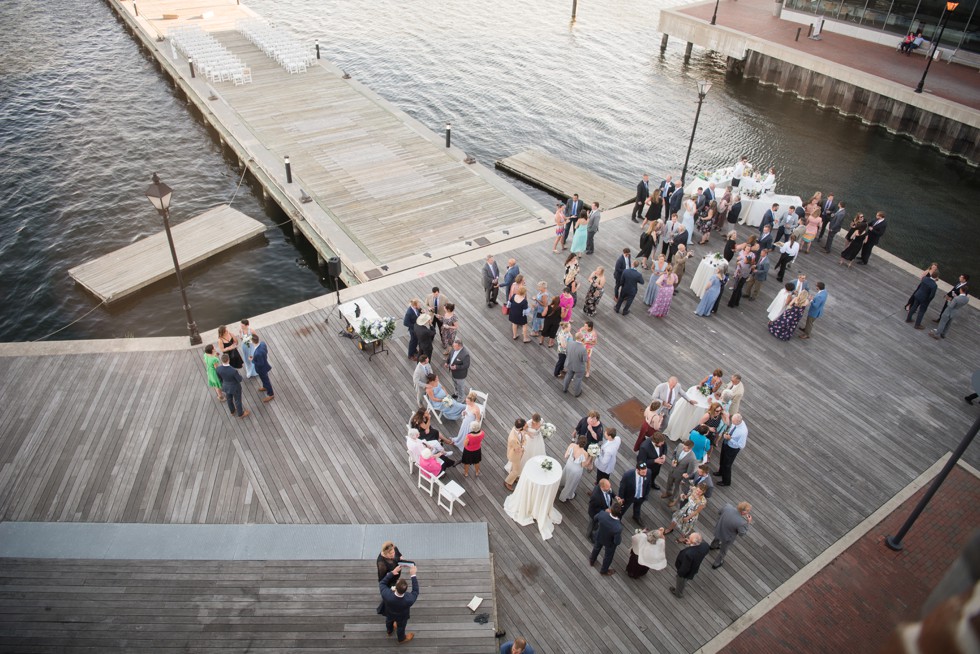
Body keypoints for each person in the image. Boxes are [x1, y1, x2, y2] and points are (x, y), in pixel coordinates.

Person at [379, 564, 419, 643]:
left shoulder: (387, 594)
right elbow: (415, 591)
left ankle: (389, 631)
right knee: (401, 626)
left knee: (389, 621)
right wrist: (413, 575)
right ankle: (401, 638)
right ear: (406, 589)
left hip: (389, 612)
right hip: (402, 616)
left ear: (395, 587)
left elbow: (382, 583)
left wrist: (392, 573)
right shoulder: (409, 599)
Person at [710, 502, 753, 569]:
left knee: (717, 537)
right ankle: (716, 563)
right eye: (748, 511)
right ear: (744, 512)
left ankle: (713, 546)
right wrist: (748, 523)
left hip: (719, 528)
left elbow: (719, 512)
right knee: (723, 551)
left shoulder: (727, 506)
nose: (749, 512)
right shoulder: (742, 523)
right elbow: (742, 534)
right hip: (727, 538)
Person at [670, 533, 710, 598]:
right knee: (684, 580)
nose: (687, 538)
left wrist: (680, 573)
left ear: (692, 542)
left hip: (685, 573)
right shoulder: (705, 546)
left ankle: (678, 593)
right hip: (694, 568)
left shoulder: (689, 554)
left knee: (681, 582)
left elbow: (685, 568)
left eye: (689, 538)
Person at [589, 500, 624, 576]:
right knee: (608, 557)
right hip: (609, 543)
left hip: (600, 535)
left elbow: (595, 518)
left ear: (611, 509)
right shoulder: (618, 527)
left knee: (596, 548)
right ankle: (604, 570)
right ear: (619, 513)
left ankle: (592, 560)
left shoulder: (602, 514)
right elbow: (617, 541)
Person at [717, 414, 747, 486]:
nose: (732, 422)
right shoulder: (735, 424)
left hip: (732, 448)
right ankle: (721, 472)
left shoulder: (743, 432)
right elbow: (731, 429)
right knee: (722, 459)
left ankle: (726, 482)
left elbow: (741, 445)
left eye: (733, 421)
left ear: (738, 421)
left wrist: (730, 439)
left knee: (727, 465)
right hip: (726, 443)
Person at [618, 462, 651, 527]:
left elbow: (648, 484)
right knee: (622, 509)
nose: (645, 474)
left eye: (645, 471)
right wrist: (621, 498)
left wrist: (646, 494)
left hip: (641, 496)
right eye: (643, 472)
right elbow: (622, 487)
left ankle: (636, 517)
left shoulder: (649, 472)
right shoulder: (627, 475)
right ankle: (618, 519)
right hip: (629, 496)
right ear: (637, 470)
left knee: (638, 507)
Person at [216, 354, 249, 418]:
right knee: (237, 400)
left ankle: (232, 411)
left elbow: (220, 378)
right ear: (228, 360)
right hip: (235, 388)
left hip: (226, 386)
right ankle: (240, 413)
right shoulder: (233, 370)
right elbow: (239, 379)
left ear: (222, 360)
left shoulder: (218, 369)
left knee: (229, 399)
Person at [558, 436, 591, 502]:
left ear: (578, 440)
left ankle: (560, 484)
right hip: (576, 470)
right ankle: (563, 497)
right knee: (570, 483)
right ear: (585, 444)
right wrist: (590, 457)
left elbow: (565, 456)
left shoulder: (572, 445)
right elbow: (583, 465)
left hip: (569, 465)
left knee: (564, 475)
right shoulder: (585, 453)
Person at [376, 541, 403, 615]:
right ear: (385, 553)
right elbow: (382, 579)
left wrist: (402, 559)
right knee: (389, 597)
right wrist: (393, 572)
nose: (393, 555)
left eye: (393, 552)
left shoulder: (394, 548)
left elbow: (399, 555)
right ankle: (385, 610)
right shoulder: (381, 563)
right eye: (390, 554)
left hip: (395, 577)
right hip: (388, 581)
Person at [249, 334, 275, 403]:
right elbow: (265, 352)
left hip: (262, 369)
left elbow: (260, 364)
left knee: (266, 380)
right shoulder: (262, 344)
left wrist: (252, 360)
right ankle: (265, 386)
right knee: (264, 379)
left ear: (252, 341)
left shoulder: (258, 353)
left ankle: (271, 394)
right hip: (264, 364)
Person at [503, 419, 527, 491]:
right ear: (521, 428)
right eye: (525, 426)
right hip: (515, 455)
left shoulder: (516, 429)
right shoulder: (513, 439)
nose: (526, 427)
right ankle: (508, 482)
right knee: (516, 470)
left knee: (515, 468)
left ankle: (514, 477)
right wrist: (524, 447)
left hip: (518, 452)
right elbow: (518, 449)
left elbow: (523, 440)